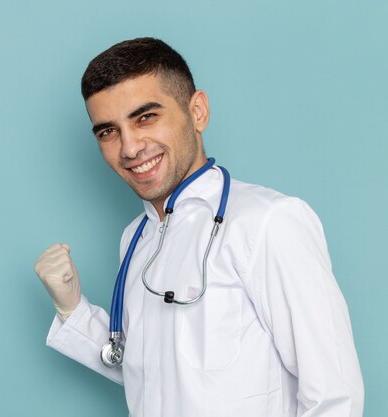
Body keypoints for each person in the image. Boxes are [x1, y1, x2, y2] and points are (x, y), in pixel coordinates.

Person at [34, 37, 364, 417]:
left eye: (146, 117)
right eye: (108, 131)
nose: (129, 147)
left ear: (198, 112)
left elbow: (335, 397)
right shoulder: (136, 238)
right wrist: (72, 310)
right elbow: (156, 373)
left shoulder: (268, 222)